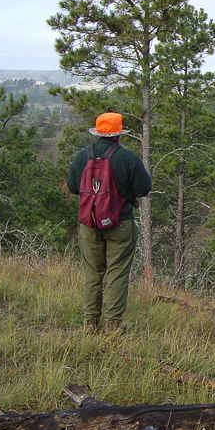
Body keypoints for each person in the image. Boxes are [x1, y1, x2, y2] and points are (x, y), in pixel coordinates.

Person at [67, 113, 151, 333]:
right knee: (117, 272)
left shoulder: (82, 155)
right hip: (120, 222)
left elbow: (73, 186)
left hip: (88, 224)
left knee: (92, 273)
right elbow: (144, 189)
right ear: (118, 135)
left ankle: (89, 323)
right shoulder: (127, 157)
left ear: (98, 133)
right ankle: (112, 325)